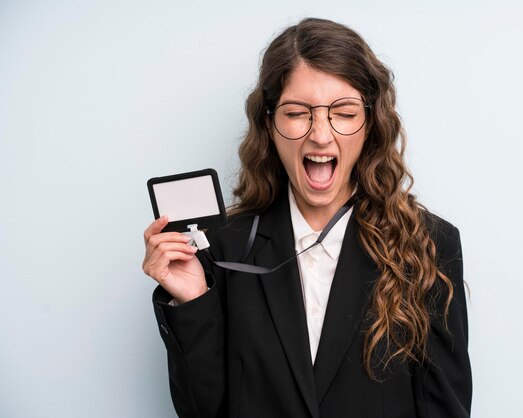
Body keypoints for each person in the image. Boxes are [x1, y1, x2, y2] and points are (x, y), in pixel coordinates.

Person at [142, 17, 472, 418]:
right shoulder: (219, 248)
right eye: (298, 113)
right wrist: (191, 299)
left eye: (344, 113)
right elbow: (203, 410)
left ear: (370, 124)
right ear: (269, 123)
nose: (320, 134)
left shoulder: (429, 244)